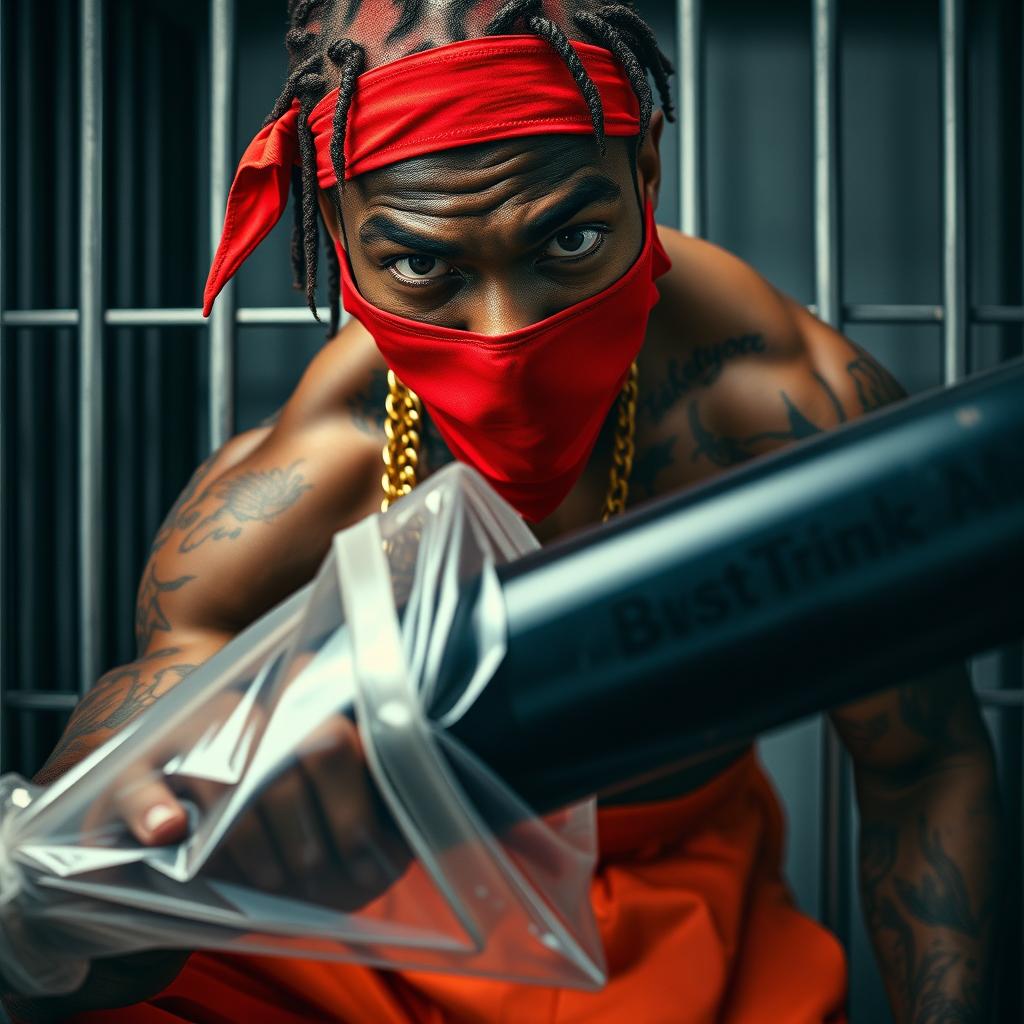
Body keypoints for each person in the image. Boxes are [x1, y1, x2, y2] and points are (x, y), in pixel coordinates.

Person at [5, 1, 1000, 1021]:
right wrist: (71, 858)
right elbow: (138, 747)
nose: (506, 334)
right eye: (424, 265)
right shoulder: (305, 473)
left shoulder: (778, 405)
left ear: (645, 174)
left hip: (669, 928)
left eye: (569, 239)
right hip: (346, 918)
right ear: (337, 227)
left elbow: (922, 762)